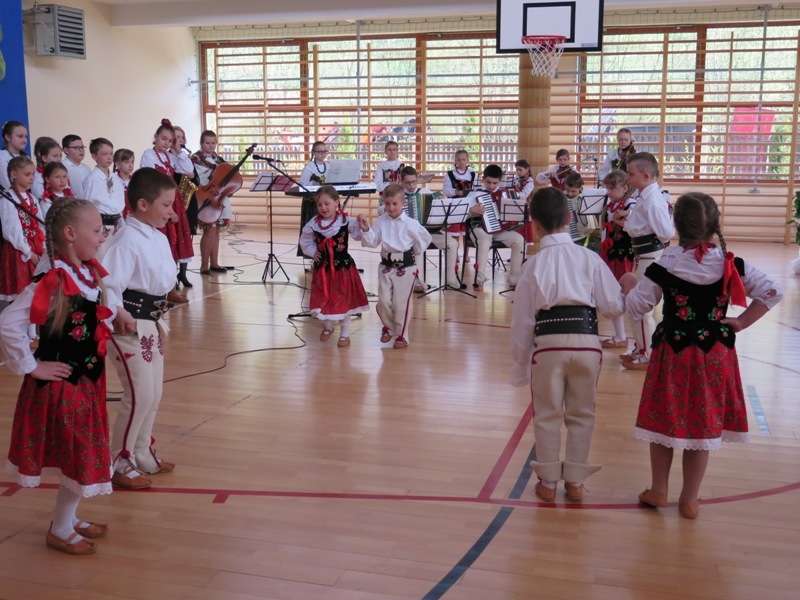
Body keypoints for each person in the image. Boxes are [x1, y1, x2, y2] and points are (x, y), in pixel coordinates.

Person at [622, 192, 783, 519]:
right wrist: (741, 321)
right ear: (714, 225)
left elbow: (637, 307)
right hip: (714, 354)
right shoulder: (730, 263)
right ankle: (690, 499)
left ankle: (659, 488)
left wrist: (627, 286)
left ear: (677, 225)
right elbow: (772, 291)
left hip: (673, 352)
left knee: (664, 417)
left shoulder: (666, 262)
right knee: (702, 423)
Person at [0, 197, 113, 555]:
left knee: (80, 453)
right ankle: (60, 528)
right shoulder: (54, 281)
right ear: (70, 234)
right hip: (63, 388)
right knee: (78, 454)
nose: (102, 236)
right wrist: (32, 366)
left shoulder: (87, 273)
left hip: (87, 383)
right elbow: (8, 323)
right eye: (96, 230)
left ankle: (68, 517)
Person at [509, 187, 625, 502]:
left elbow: (522, 324)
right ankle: (575, 481)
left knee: (547, 415)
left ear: (534, 225)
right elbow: (613, 307)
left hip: (548, 346)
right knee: (582, 413)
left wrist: (520, 366)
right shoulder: (590, 258)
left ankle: (548, 483)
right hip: (588, 344)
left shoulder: (532, 266)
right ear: (570, 217)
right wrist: (626, 289)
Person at [102, 167, 179, 489]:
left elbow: (162, 277)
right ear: (143, 204)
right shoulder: (126, 239)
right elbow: (109, 283)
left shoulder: (157, 236)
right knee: (139, 395)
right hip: (128, 325)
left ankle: (142, 453)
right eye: (166, 205)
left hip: (151, 322)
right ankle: (119, 461)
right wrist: (117, 311)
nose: (171, 212)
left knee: (154, 394)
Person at [299, 185, 372, 347]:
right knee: (323, 299)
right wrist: (313, 252)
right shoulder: (314, 223)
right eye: (320, 204)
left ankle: (344, 333)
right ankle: (328, 326)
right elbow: (305, 240)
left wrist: (362, 224)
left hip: (342, 270)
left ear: (337, 202)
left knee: (342, 301)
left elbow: (358, 235)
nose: (323, 208)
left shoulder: (345, 221)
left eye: (327, 203)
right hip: (323, 270)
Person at [620, 152, 674, 370]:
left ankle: (648, 354)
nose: (627, 178)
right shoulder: (645, 196)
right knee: (634, 303)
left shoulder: (653, 200)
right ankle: (640, 347)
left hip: (650, 256)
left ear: (645, 176)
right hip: (642, 255)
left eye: (630, 174)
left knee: (640, 307)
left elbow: (666, 233)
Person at [361, 183, 431, 348]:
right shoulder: (381, 221)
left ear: (403, 203)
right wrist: (366, 229)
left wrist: (414, 252)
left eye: (394, 204)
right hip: (386, 266)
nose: (391, 208)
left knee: (401, 304)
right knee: (383, 301)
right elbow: (372, 242)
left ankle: (401, 336)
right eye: (387, 204)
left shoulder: (411, 223)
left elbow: (425, 239)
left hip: (405, 268)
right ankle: (389, 327)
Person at [140, 119, 194, 301]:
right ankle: (158, 289)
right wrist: (167, 209)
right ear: (155, 137)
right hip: (159, 202)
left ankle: (171, 289)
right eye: (163, 139)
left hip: (172, 202)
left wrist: (178, 150)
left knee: (172, 246)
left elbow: (189, 169)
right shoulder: (149, 155)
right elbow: (149, 183)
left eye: (170, 141)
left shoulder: (169, 157)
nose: (166, 143)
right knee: (160, 247)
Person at [400, 166, 463, 290]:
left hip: (431, 232)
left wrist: (443, 201)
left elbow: (441, 209)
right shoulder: (399, 196)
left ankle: (451, 279)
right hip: (411, 235)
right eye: (407, 183)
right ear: (402, 182)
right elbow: (383, 209)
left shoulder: (425, 192)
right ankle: (418, 282)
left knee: (452, 243)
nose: (411, 185)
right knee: (418, 244)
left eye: (414, 182)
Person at [466, 164, 524, 290]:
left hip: (498, 229)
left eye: (494, 183)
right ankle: (479, 281)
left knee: (519, 240)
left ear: (500, 181)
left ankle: (514, 279)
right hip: (478, 227)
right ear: (483, 179)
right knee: (485, 240)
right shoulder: (474, 194)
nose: (491, 186)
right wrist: (471, 211)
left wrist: (514, 220)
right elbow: (461, 215)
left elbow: (512, 216)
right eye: (488, 182)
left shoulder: (505, 194)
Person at [598, 169, 636, 349]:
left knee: (629, 294)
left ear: (625, 188)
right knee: (614, 292)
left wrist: (625, 217)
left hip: (625, 255)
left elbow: (637, 220)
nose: (608, 192)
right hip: (611, 254)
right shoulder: (611, 205)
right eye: (607, 188)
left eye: (612, 188)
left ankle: (639, 341)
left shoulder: (631, 204)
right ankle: (620, 336)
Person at [0, 156, 45, 305]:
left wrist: (43, 247)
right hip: (19, 251)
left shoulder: (32, 198)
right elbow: (11, 231)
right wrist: (29, 253)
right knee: (21, 298)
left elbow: (40, 224)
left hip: (35, 247)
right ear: (14, 174)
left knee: (36, 295)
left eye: (33, 174)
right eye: (27, 174)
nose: (31, 178)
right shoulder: (8, 199)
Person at [191, 130, 229, 274]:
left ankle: (214, 263)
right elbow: (196, 179)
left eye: (213, 143)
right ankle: (204, 265)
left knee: (216, 230)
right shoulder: (194, 159)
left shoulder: (219, 160)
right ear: (201, 143)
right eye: (207, 143)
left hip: (219, 199)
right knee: (209, 230)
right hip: (206, 198)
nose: (210, 145)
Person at [83, 138, 126, 256]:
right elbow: (88, 205)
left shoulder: (115, 178)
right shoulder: (92, 179)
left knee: (116, 257)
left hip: (116, 225)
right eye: (104, 154)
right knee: (102, 257)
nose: (109, 157)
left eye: (111, 153)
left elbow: (119, 203)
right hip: (101, 225)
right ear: (94, 156)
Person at [442, 149, 477, 264]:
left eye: (463, 159)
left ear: (467, 160)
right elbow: (446, 191)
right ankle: (455, 253)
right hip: (455, 205)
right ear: (455, 160)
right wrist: (457, 192)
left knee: (466, 231)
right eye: (459, 159)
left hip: (469, 204)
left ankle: (466, 254)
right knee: (455, 232)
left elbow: (476, 189)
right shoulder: (450, 174)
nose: (461, 162)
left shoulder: (473, 174)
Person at [297, 141, 329, 257]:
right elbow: (302, 184)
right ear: (314, 152)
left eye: (325, 151)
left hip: (326, 201)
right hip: (312, 203)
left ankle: (326, 253)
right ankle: (312, 255)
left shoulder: (328, 166)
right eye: (320, 152)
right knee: (313, 229)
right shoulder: (309, 168)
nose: (322, 154)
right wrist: (313, 183)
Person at [563, 171, 600, 251]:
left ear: (580, 188)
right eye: (567, 190)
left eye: (573, 191)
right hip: (571, 234)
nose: (569, 193)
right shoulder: (562, 198)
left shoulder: (587, 196)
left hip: (587, 235)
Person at [374, 140, 404, 214]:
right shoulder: (381, 166)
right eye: (389, 150)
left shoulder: (401, 165)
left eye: (394, 149)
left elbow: (404, 182)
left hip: (398, 197)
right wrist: (390, 184)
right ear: (385, 152)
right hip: (385, 197)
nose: (392, 152)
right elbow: (377, 186)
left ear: (397, 152)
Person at [1, 120, 29, 190]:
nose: (24, 140)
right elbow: (7, 184)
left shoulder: (26, 158)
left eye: (26, 137)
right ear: (8, 137)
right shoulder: (2, 157)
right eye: (20, 136)